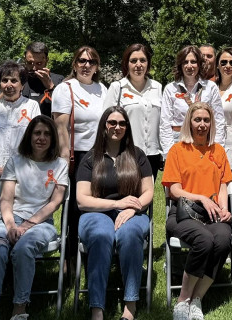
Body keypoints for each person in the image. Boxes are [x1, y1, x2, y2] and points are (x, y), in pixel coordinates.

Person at [0, 115, 68, 320]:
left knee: (23, 248)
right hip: (10, 219)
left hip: (42, 223)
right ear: (29, 135)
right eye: (37, 133)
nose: (41, 138)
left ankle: (19, 308)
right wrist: (11, 225)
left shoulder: (60, 165)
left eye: (47, 134)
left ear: (53, 138)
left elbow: (55, 203)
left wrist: (27, 225)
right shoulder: (15, 161)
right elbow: (6, 199)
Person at [77, 107, 154, 320]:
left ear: (127, 127)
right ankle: (97, 309)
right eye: (112, 122)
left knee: (130, 235)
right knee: (101, 235)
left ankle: (130, 306)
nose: (117, 127)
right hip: (96, 212)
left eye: (122, 123)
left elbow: (148, 192)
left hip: (132, 212)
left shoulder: (137, 155)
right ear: (104, 126)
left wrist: (133, 208)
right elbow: (82, 199)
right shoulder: (90, 158)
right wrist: (116, 203)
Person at [162, 102, 232, 320]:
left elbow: (223, 185)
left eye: (206, 120)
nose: (202, 124)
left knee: (223, 240)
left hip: (213, 215)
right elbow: (174, 190)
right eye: (197, 120)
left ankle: (197, 299)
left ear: (211, 123)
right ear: (189, 123)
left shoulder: (218, 151)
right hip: (184, 214)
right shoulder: (177, 150)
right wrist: (201, 197)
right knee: (204, 240)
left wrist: (224, 209)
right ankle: (183, 300)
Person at [0, 60, 41, 247]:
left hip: (21, 178)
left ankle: (13, 259)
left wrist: (19, 169)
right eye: (5, 80)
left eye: (14, 80)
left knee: (14, 222)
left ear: (22, 84)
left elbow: (37, 139)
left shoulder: (32, 107)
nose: (9, 85)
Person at [52, 45, 108, 256]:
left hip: (101, 155)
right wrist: (65, 160)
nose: (86, 65)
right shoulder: (65, 89)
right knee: (75, 207)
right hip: (77, 156)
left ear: (97, 66)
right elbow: (60, 128)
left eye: (91, 61)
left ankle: (94, 249)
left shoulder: (102, 89)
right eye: (82, 61)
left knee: (98, 203)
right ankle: (71, 256)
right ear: (74, 64)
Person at [104, 44, 164, 173]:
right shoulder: (117, 87)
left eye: (142, 60)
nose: (138, 64)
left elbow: (162, 122)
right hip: (125, 152)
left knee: (149, 186)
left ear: (148, 64)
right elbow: (105, 122)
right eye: (133, 61)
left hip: (152, 154)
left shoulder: (157, 87)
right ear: (127, 64)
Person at [160, 45, 225, 160]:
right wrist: (169, 153)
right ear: (180, 65)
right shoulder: (171, 89)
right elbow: (165, 123)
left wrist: (218, 149)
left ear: (199, 64)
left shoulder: (210, 88)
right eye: (185, 62)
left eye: (193, 62)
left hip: (204, 141)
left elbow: (219, 121)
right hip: (178, 141)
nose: (189, 66)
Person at [22, 41, 64, 117]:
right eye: (30, 63)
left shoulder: (58, 80)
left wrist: (51, 87)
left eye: (39, 64)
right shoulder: (19, 80)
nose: (34, 68)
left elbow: (66, 107)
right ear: (24, 60)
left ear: (46, 60)